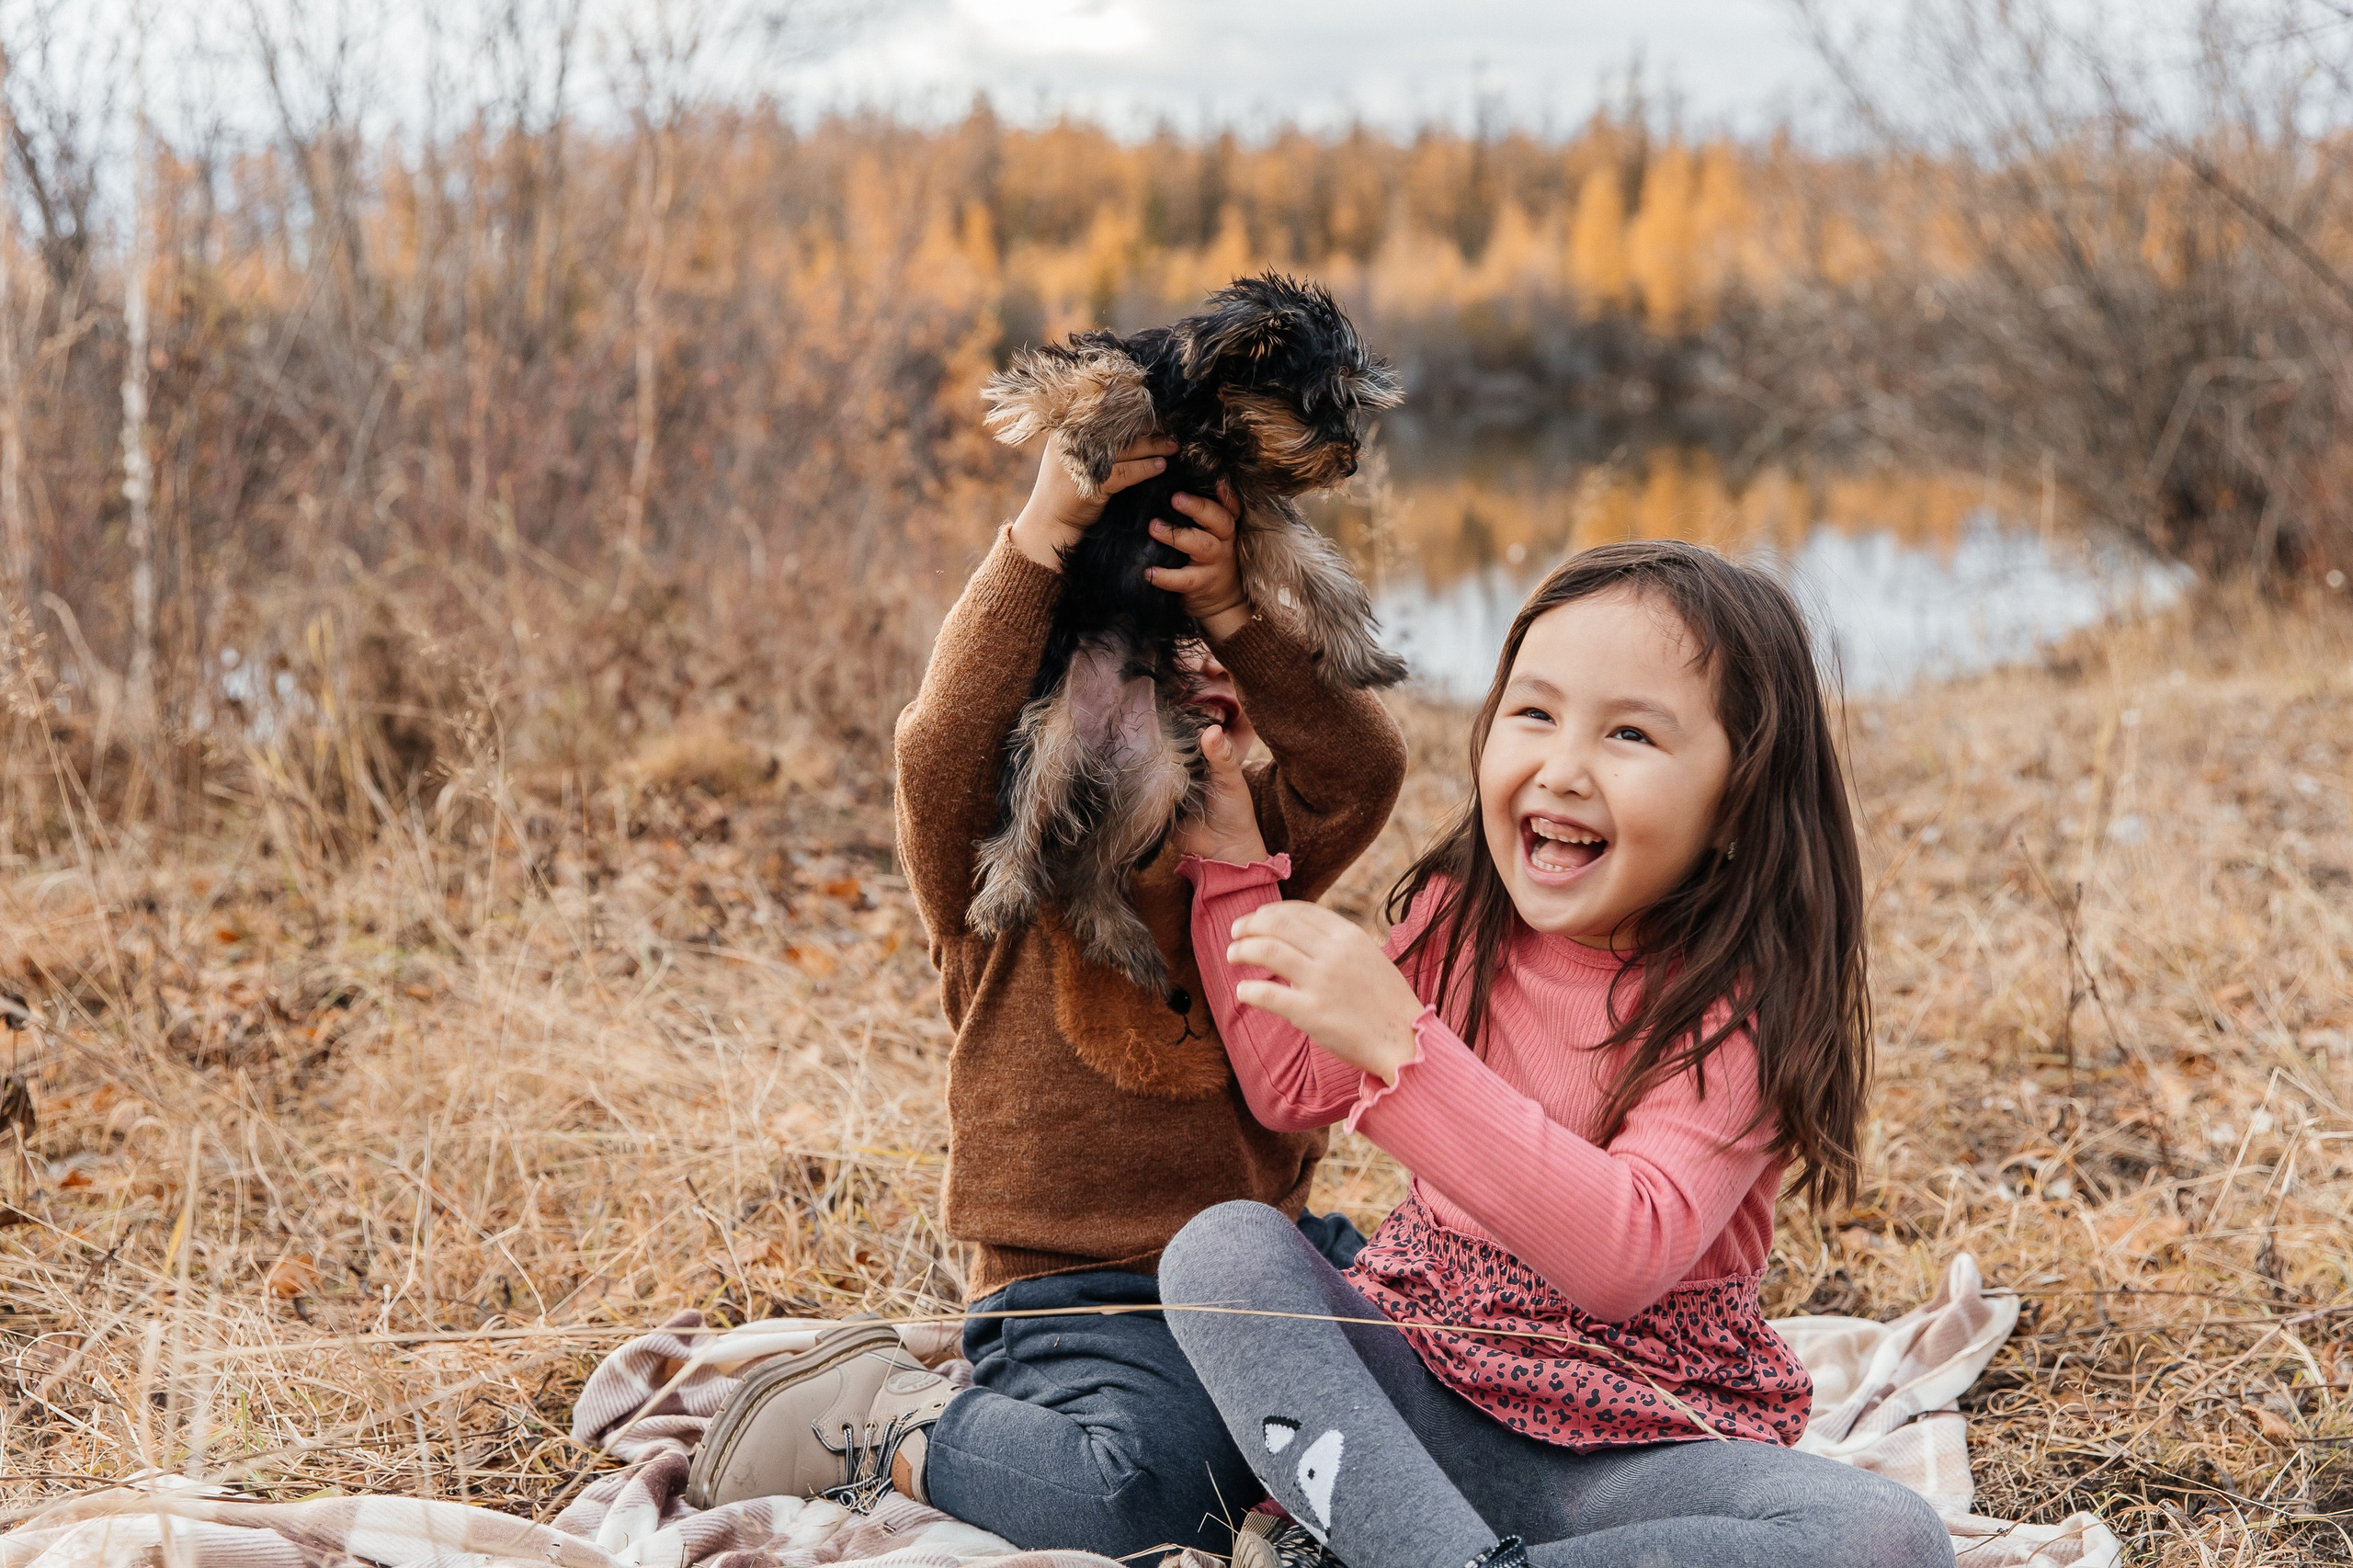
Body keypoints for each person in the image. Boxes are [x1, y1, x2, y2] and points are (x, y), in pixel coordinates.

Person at [1159, 540, 1956, 1568]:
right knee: (1223, 1254)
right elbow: (1291, 1083)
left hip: (1630, 1459)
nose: (1564, 767)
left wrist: (1405, 1046)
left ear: (1736, 802)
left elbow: (1623, 1252)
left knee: (1884, 1535)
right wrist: (1228, 854)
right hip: (1422, 1402)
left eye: (1629, 732)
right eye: (1533, 714)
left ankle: (1404, 1550)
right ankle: (1424, 1543)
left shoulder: (1735, 1007)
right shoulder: (1462, 918)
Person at [684, 433, 1407, 1560]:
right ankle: (883, 1416)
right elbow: (938, 744)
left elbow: (1361, 768)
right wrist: (1039, 537)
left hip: (1269, 1266)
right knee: (1137, 1500)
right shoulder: (998, 877)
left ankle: (1291, 1500)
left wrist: (1233, 612)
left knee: (1455, 1382)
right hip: (1080, 1308)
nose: (1197, 676)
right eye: (1151, 658)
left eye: (1210, 661)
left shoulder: (1251, 847)